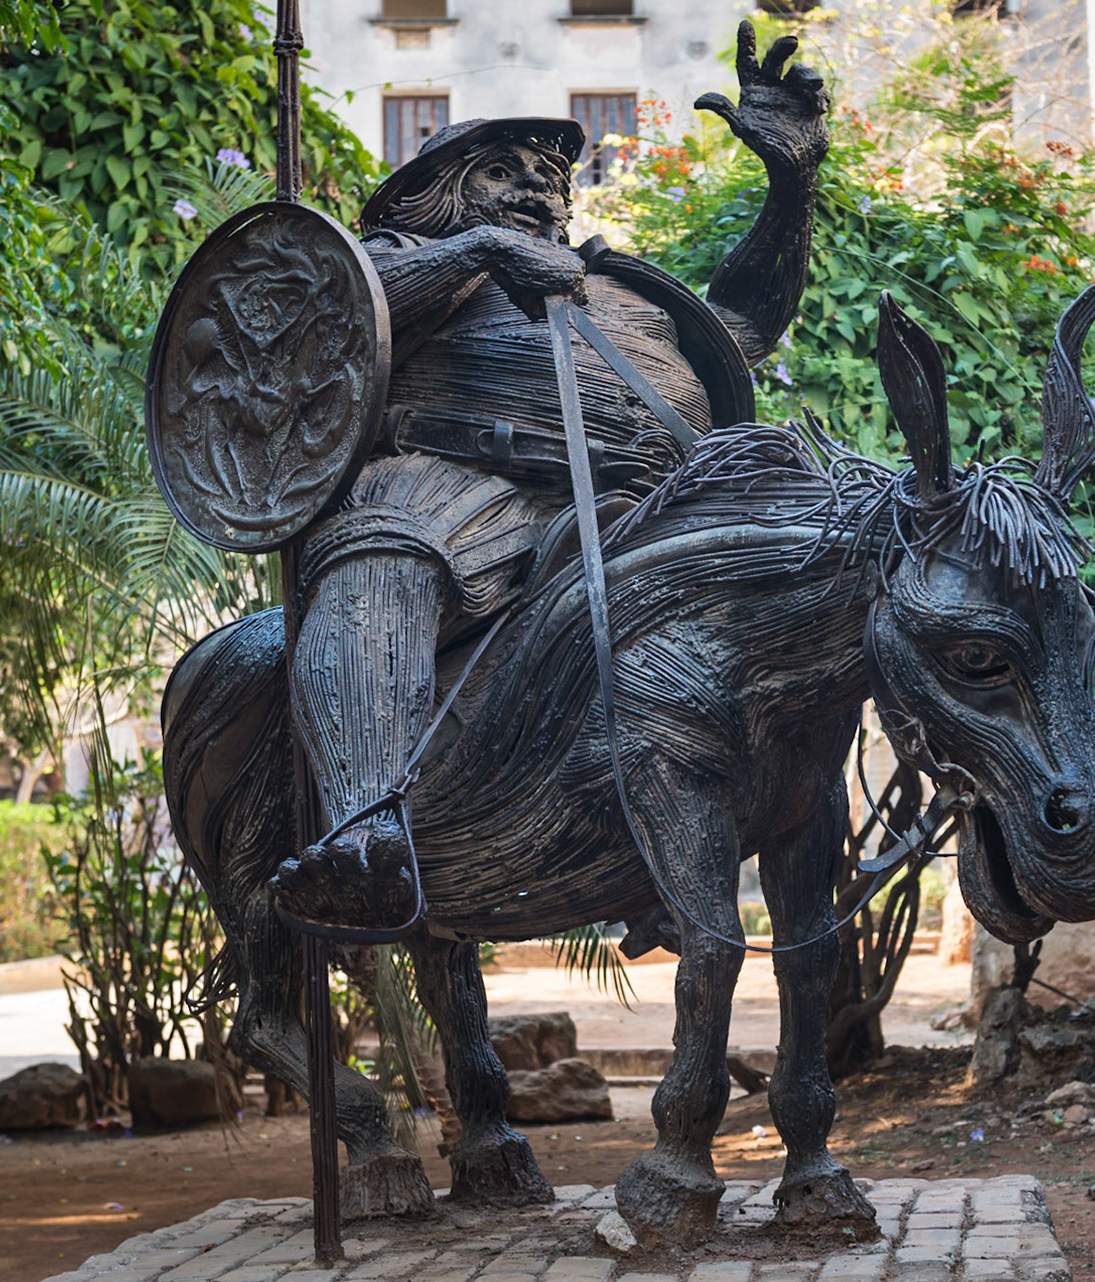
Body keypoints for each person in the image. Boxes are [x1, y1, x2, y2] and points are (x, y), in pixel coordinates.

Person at [265, 20, 831, 935]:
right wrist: (476, 254)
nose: (539, 184)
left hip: (657, 501)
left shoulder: (623, 284)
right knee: (384, 558)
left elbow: (747, 329)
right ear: (441, 194)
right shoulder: (404, 261)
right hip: (466, 494)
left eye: (551, 174)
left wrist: (790, 186)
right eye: (505, 171)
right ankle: (365, 835)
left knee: (837, 569)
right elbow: (323, 324)